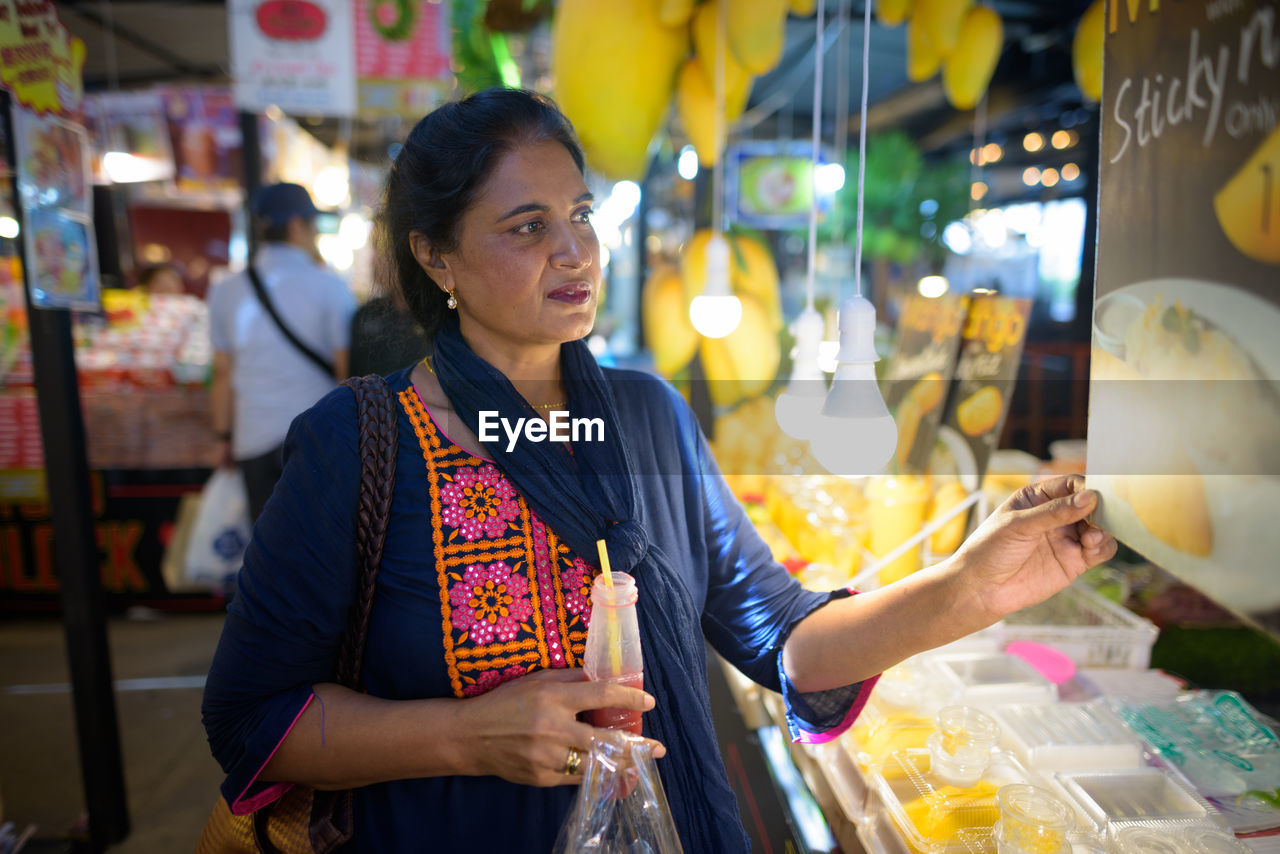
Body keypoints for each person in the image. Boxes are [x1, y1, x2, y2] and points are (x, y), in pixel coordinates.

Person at [202, 89, 1117, 853]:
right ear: (435, 255)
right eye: (528, 226)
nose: (575, 252)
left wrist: (971, 587)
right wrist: (465, 735)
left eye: (581, 217)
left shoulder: (648, 417)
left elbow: (783, 639)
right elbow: (253, 715)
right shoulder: (359, 442)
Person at [206, 182, 356, 522]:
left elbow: (223, 372)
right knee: (320, 546)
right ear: (295, 225)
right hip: (317, 437)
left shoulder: (226, 291)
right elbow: (346, 374)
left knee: (266, 548)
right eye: (313, 224)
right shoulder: (331, 288)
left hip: (252, 437)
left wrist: (223, 437)